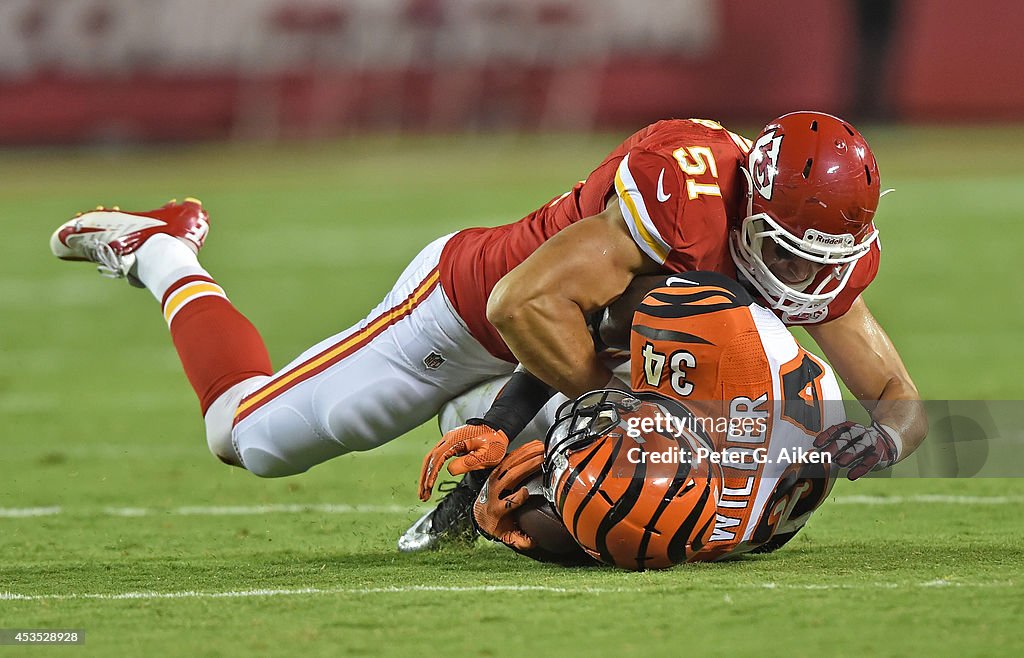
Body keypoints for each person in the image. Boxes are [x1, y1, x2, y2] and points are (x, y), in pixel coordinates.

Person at [49, 112, 924, 541]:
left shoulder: (818, 256)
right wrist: (594, 413)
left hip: (565, 350)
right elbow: (524, 304)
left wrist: (872, 446)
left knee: (637, 469)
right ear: (750, 210)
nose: (808, 280)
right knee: (243, 436)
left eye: (825, 259)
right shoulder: (683, 196)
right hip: (466, 314)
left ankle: (490, 445)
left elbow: (897, 399)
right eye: (788, 252)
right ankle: (161, 251)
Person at [418, 272, 848, 566]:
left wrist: (491, 515)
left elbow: (619, 529)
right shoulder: (714, 332)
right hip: (745, 369)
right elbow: (578, 329)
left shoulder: (649, 527)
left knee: (466, 414)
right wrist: (502, 422)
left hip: (745, 450)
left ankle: (468, 488)